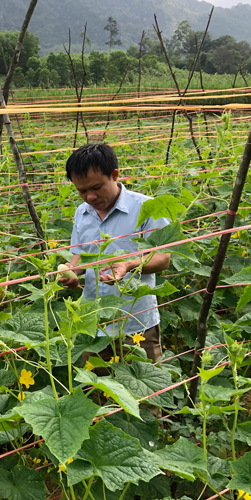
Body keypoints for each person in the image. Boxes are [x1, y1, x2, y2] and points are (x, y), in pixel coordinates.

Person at [58, 143, 170, 363]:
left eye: (96, 187)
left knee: (144, 389)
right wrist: (72, 273)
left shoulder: (147, 208)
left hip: (136, 322)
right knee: (96, 391)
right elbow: (80, 254)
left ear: (114, 175)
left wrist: (128, 264)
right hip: (93, 323)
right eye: (82, 191)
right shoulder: (82, 213)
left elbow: (163, 258)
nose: (90, 197)